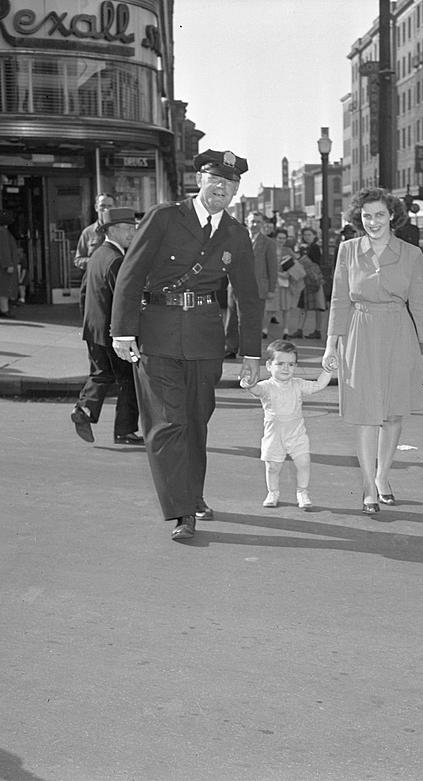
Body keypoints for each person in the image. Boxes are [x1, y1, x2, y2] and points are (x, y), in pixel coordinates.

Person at [110, 149, 262, 542]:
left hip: (204, 341)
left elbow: (249, 297)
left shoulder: (235, 234)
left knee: (195, 423)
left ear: (236, 191)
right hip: (157, 335)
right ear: (200, 181)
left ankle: (193, 495)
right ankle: (182, 512)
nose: (221, 189)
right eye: (215, 180)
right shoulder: (165, 217)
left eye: (229, 184)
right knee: (165, 425)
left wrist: (251, 354)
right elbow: (132, 272)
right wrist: (122, 331)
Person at [322, 187, 423, 514]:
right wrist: (330, 345)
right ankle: (366, 485)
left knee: (391, 413)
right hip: (359, 334)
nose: (373, 222)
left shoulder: (411, 254)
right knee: (365, 414)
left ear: (392, 215)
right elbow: (339, 300)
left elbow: (420, 303)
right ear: (357, 218)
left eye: (379, 215)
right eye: (366, 216)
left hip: (398, 333)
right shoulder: (348, 251)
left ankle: (382, 475)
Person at [70, 207, 143, 446]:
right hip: (113, 332)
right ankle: (125, 430)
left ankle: (84, 409)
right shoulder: (117, 260)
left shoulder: (99, 255)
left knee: (101, 373)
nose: (133, 232)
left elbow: (84, 293)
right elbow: (124, 300)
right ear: (115, 230)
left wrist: (88, 323)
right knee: (129, 381)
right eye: (129, 228)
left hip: (94, 328)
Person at [241, 339, 332, 510]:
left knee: (304, 462)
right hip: (274, 436)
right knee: (272, 467)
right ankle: (272, 492)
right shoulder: (266, 386)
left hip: (297, 435)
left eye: (291, 364)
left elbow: (319, 385)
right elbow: (255, 390)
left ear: (295, 366)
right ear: (269, 365)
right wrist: (248, 383)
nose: (286, 368)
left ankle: (302, 492)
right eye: (280, 363)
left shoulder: (298, 384)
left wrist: (328, 370)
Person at [225, 211, 277, 357]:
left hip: (257, 288)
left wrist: (271, 289)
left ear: (263, 224)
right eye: (252, 221)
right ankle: (230, 348)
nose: (255, 224)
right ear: (246, 222)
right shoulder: (235, 240)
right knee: (232, 319)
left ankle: (249, 352)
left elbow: (272, 268)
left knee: (253, 321)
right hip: (235, 286)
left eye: (258, 222)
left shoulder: (268, 243)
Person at [74, 193, 115, 310]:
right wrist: (96, 263)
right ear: (96, 207)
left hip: (114, 283)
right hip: (93, 282)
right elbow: (78, 259)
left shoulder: (119, 230)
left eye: (110, 206)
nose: (106, 209)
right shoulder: (88, 232)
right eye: (102, 206)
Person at [275, 228, 304, 339]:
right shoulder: (271, 249)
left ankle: (285, 330)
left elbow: (297, 264)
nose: (281, 240)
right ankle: (264, 329)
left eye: (283, 238)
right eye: (279, 238)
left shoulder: (288, 250)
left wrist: (288, 273)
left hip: (284, 282)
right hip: (272, 281)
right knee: (268, 308)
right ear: (275, 238)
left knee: (286, 307)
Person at [294, 246, 325, 339]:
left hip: (307, 288)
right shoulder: (316, 264)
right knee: (319, 310)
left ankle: (300, 329)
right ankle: (317, 330)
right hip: (318, 288)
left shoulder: (305, 262)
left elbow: (310, 276)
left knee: (303, 309)